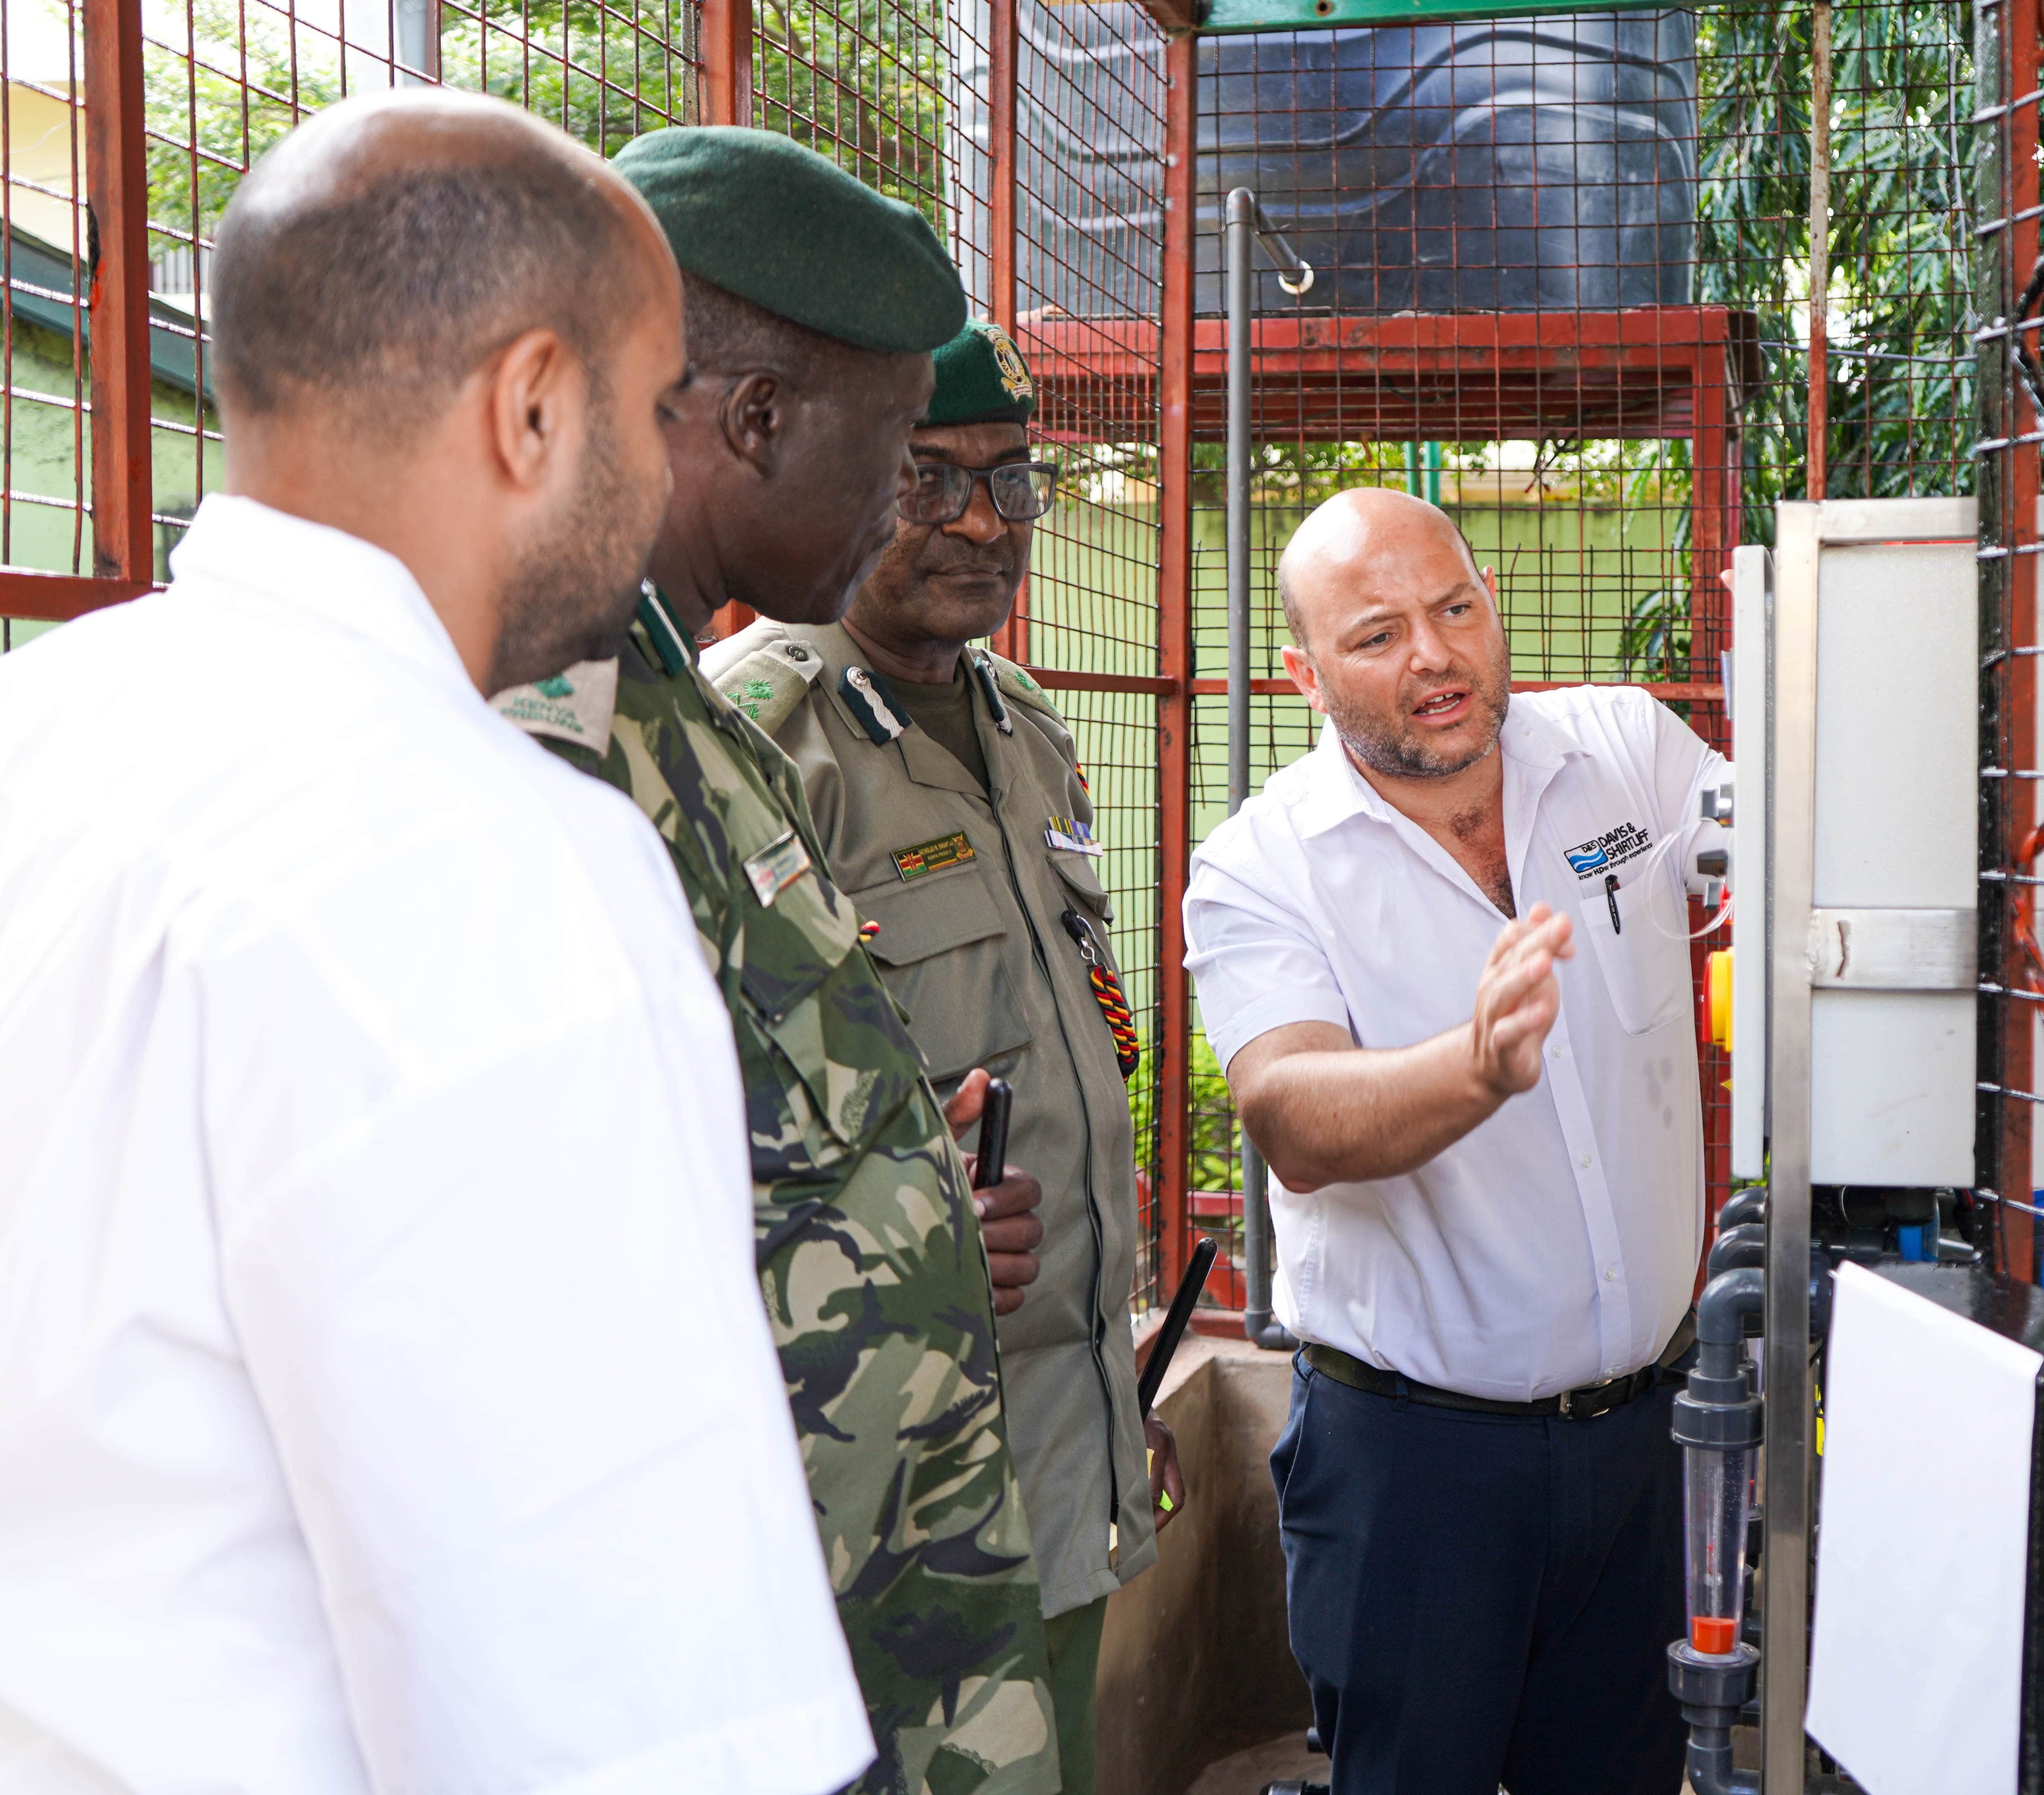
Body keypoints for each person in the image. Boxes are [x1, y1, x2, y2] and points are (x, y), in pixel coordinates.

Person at [0, 92, 872, 1794]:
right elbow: (634, 1716)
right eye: (652, 410)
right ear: (533, 406)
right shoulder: (499, 857)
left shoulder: (41, 731)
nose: (660, 480)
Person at [487, 131, 1055, 1795]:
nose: (911, 510)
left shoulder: (671, 701)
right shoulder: (539, 731)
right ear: (754, 420)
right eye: (896, 455)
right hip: (730, 1663)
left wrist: (904, 1175)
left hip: (873, 1609)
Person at [1180, 487, 1728, 1795]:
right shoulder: (1261, 864)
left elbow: (1781, 866)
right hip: (1414, 1472)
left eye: (1456, 608)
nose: (1434, 655)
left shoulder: (1626, 754)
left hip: (1644, 1446)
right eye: (1378, 637)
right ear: (1305, 676)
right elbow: (1291, 1114)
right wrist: (1473, 1069)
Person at [705, 320, 1175, 1794]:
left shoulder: (1024, 728)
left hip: (1064, 1448)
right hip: (888, 1471)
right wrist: (895, 1219)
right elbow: (697, 1131)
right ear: (852, 478)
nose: (984, 523)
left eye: (1012, 480)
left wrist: (1115, 1394)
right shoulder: (759, 736)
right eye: (931, 479)